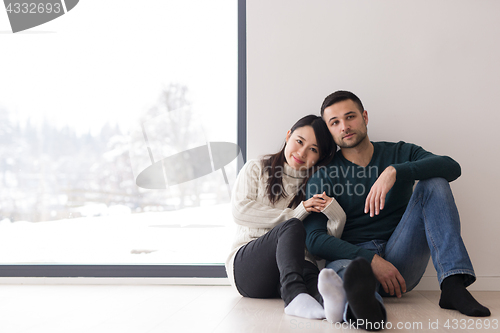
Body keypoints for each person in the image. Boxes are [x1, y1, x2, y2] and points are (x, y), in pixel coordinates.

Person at [303, 91, 491, 331]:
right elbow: (315, 240)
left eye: (350, 117)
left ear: (365, 117)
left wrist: (395, 171)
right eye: (335, 122)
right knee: (350, 276)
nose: (345, 126)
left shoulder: (400, 153)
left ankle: (453, 285)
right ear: (329, 130)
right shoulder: (324, 174)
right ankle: (367, 310)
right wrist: (372, 260)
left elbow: (452, 167)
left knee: (434, 182)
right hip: (353, 260)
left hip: (402, 258)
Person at [225, 115, 348, 321]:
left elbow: (318, 251)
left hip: (291, 270)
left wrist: (336, 215)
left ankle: (333, 306)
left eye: (313, 149)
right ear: (288, 135)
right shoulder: (257, 168)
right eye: (299, 141)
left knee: (311, 271)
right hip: (248, 269)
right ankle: (294, 298)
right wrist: (296, 213)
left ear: (320, 157)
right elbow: (240, 211)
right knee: (292, 226)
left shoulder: (315, 186)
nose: (301, 152)